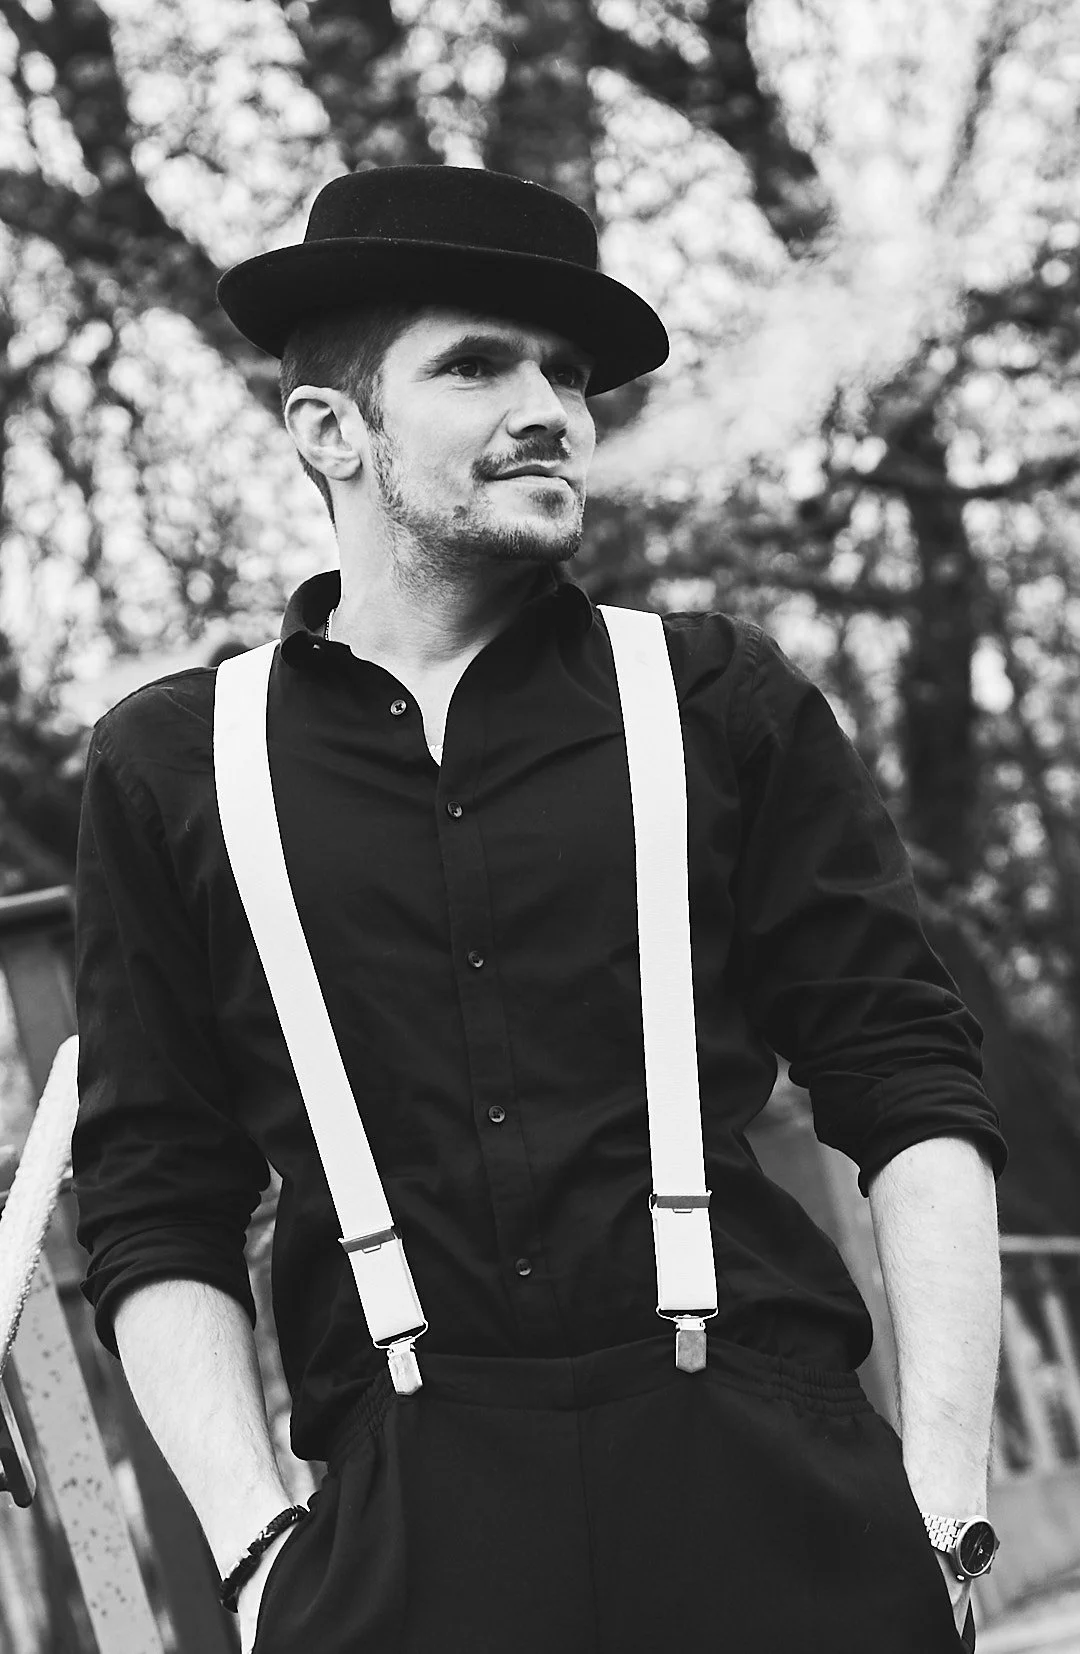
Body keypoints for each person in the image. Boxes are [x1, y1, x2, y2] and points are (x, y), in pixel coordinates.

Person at [72, 165, 1006, 1654]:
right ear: (330, 431)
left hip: (767, 1490)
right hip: (407, 1532)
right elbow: (150, 1197)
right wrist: (257, 1556)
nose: (552, 408)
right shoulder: (175, 763)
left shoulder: (721, 700)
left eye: (568, 375)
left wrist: (947, 1500)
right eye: (477, 363)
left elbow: (910, 1084)